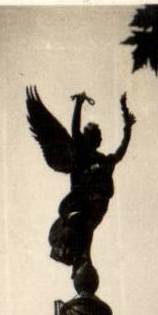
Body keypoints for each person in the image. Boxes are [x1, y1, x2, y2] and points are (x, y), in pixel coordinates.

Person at [26, 89, 136, 294]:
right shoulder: (80, 156)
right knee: (82, 234)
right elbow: (74, 131)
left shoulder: (102, 161)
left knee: (85, 234)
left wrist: (128, 129)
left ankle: (81, 261)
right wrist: (78, 103)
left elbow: (120, 152)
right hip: (77, 204)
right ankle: (80, 261)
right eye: (90, 136)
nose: (90, 139)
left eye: (93, 137)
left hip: (94, 207)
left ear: (96, 140)